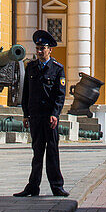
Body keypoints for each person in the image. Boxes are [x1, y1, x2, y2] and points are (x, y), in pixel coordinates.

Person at [13, 29, 69, 198]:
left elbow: (60, 94)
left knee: (52, 152)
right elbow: (26, 94)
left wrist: (55, 114)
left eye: (42, 49)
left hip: (49, 118)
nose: (39, 52)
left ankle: (57, 186)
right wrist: (25, 114)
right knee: (37, 152)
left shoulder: (57, 69)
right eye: (37, 48)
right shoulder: (31, 68)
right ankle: (33, 187)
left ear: (49, 50)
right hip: (36, 117)